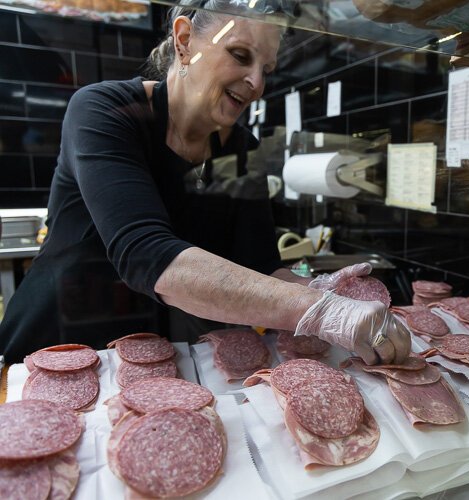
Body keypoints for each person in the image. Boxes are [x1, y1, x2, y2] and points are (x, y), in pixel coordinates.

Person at [0, 0, 411, 366]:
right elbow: (146, 254)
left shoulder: (243, 147)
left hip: (160, 355)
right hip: (59, 345)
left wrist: (322, 291)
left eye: (265, 69)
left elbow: (262, 265)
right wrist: (319, 310)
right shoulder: (106, 111)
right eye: (239, 55)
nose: (256, 83)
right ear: (184, 40)